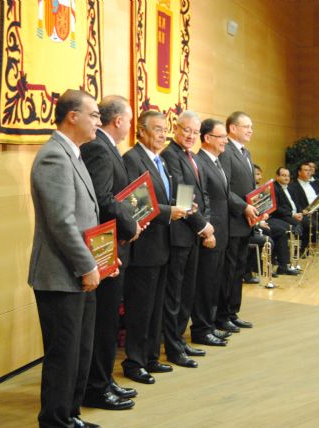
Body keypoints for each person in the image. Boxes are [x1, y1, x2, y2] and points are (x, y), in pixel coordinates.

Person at [29, 89, 109, 428]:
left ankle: (70, 415)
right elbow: (61, 221)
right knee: (64, 353)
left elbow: (86, 215)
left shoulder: (73, 154)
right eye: (93, 114)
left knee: (80, 350)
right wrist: (88, 265)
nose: (99, 121)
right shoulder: (54, 157)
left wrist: (103, 259)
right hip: (61, 275)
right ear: (72, 116)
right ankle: (55, 421)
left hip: (78, 272)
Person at [80, 95, 140, 411]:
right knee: (103, 322)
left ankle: (105, 379)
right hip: (104, 249)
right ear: (118, 121)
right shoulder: (99, 150)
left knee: (107, 322)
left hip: (113, 247)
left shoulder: (108, 148)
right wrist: (131, 224)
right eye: (130, 121)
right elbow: (102, 201)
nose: (130, 126)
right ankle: (97, 387)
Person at [121, 111, 188, 384]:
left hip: (163, 245)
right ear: (142, 132)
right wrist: (167, 211)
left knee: (155, 307)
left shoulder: (160, 160)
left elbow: (163, 196)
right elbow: (132, 202)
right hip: (143, 247)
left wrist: (181, 207)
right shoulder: (132, 159)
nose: (163, 135)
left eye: (165, 129)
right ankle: (134, 362)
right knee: (140, 309)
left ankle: (150, 357)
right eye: (157, 129)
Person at [161, 111, 215, 368]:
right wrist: (203, 226)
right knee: (174, 295)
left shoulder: (190, 156)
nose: (191, 136)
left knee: (186, 293)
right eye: (187, 131)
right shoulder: (170, 155)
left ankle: (180, 340)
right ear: (175, 128)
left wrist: (207, 224)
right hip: (179, 235)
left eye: (195, 132)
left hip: (192, 234)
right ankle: (173, 347)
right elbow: (181, 199)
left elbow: (202, 195)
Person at [190, 118, 235, 347]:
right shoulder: (199, 162)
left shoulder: (218, 162)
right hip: (210, 232)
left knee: (214, 281)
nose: (226, 141)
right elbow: (201, 200)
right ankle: (201, 329)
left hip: (223, 231)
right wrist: (207, 230)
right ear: (207, 138)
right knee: (205, 284)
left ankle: (210, 325)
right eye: (222, 137)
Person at [217, 111, 259, 333]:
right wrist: (244, 207)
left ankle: (233, 312)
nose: (250, 130)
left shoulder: (246, 153)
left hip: (246, 221)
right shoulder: (226, 152)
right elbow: (226, 189)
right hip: (232, 221)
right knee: (229, 270)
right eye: (246, 126)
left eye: (251, 126)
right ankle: (223, 315)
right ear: (232, 128)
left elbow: (249, 189)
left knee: (239, 269)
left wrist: (260, 208)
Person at [272, 167, 310, 254]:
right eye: (283, 175)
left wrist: (300, 212)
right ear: (277, 177)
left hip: (294, 214)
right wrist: (292, 215)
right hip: (282, 216)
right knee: (303, 224)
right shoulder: (274, 188)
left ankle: (302, 250)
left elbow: (297, 203)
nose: (286, 178)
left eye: (288, 176)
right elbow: (276, 208)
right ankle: (294, 252)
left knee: (309, 222)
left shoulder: (290, 187)